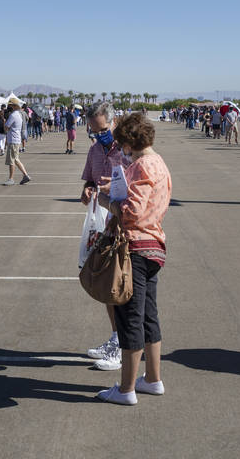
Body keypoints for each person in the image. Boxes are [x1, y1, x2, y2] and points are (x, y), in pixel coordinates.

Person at [94, 112, 172, 405]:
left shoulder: (141, 166)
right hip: (155, 247)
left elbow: (132, 210)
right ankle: (152, 379)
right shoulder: (159, 163)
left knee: (131, 319)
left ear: (129, 141)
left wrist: (107, 202)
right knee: (149, 316)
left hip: (135, 250)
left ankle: (126, 389)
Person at [79, 102, 131, 371]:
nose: (99, 135)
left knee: (121, 288)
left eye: (103, 130)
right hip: (103, 226)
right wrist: (88, 190)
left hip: (125, 228)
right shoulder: (93, 150)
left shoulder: (127, 151)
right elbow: (89, 181)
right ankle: (115, 337)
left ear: (113, 123)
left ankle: (124, 346)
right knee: (107, 287)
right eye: (94, 131)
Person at [2, 100, 31, 186]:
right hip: (16, 139)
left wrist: (4, 121)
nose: (9, 107)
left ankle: (11, 179)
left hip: (13, 140)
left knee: (12, 161)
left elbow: (6, 127)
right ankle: (25, 175)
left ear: (14, 106)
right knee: (16, 159)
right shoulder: (18, 114)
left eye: (11, 105)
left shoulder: (13, 115)